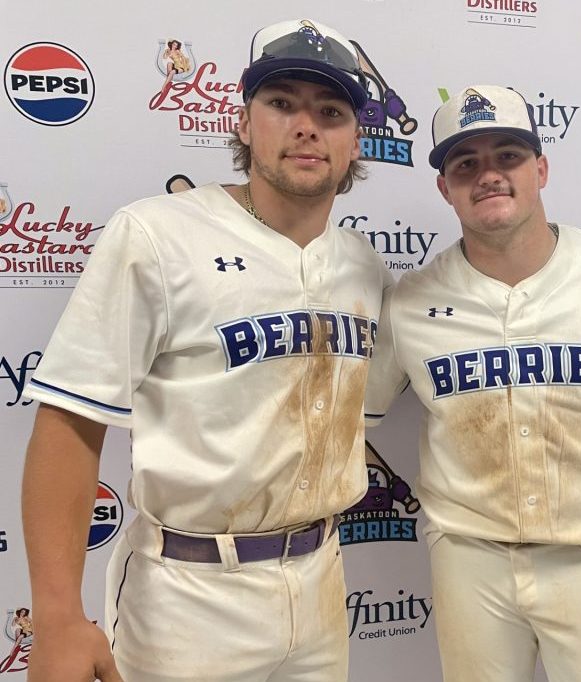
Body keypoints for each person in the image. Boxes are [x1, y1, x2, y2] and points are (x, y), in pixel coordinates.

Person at [21, 18, 387, 682]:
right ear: (243, 123)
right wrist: (56, 617)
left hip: (321, 579)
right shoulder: (157, 235)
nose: (307, 126)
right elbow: (70, 420)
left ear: (355, 140)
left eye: (331, 112)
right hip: (188, 597)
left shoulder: (363, 265)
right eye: (282, 103)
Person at [364, 84, 581, 682]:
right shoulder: (410, 302)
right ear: (445, 188)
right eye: (466, 164)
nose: (488, 175)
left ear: (541, 168)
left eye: (507, 156)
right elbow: (355, 413)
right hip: (470, 561)